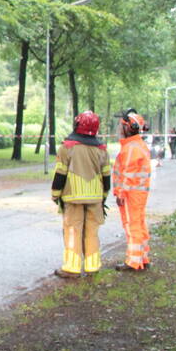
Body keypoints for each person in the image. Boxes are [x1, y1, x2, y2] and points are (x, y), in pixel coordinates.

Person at [50, 110, 111, 278]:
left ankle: (71, 268)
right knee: (92, 232)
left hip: (72, 196)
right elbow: (106, 176)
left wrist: (55, 194)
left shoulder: (67, 147)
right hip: (95, 197)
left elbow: (60, 174)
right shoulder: (102, 149)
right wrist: (103, 196)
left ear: (77, 125)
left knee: (72, 231)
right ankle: (92, 267)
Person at [113, 109, 153, 271]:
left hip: (131, 194)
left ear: (127, 128)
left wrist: (121, 193)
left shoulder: (131, 148)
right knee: (139, 223)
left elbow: (128, 173)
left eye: (120, 126)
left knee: (132, 225)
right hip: (138, 193)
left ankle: (133, 261)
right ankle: (142, 257)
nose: (118, 129)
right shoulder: (138, 145)